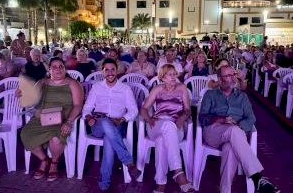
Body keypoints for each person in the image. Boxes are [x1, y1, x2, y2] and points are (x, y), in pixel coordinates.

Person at [199, 65, 280, 193]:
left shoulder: (242, 97)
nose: (232, 79)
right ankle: (257, 177)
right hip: (214, 131)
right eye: (228, 76)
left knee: (230, 147)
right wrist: (220, 119)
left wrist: (239, 125)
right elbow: (202, 118)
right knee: (233, 131)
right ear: (220, 80)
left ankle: (225, 190)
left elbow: (251, 118)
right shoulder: (210, 94)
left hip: (235, 134)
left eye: (233, 75)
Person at [19, 57, 84, 182]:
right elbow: (29, 100)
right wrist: (22, 94)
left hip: (63, 119)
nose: (58, 69)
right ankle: (44, 159)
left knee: (56, 138)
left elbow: (78, 105)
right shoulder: (42, 82)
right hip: (42, 118)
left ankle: (54, 163)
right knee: (25, 134)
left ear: (65, 69)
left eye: (61, 66)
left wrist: (69, 121)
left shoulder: (72, 83)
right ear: (49, 70)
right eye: (54, 67)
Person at [83, 58, 141, 191]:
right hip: (97, 124)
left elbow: (133, 110)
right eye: (106, 70)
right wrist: (88, 117)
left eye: (112, 69)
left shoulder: (125, 88)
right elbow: (87, 108)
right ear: (102, 72)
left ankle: (104, 182)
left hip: (117, 125)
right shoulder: (97, 87)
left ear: (117, 71)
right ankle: (128, 162)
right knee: (104, 120)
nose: (110, 73)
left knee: (109, 139)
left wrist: (122, 119)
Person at [140, 64, 193, 193]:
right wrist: (149, 119)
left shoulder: (182, 88)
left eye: (175, 74)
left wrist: (181, 118)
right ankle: (178, 172)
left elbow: (187, 110)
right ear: (162, 77)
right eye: (170, 74)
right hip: (156, 125)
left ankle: (160, 182)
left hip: (176, 127)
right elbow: (144, 108)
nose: (174, 76)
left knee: (161, 141)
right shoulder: (157, 89)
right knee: (166, 127)